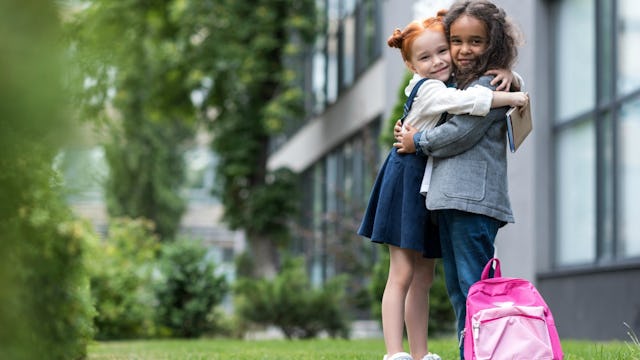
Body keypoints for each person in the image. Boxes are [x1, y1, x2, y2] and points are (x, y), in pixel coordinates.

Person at [358, 10, 527, 360]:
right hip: (410, 178)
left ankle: (428, 353)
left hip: (431, 182)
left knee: (428, 278)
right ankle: (396, 352)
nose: (443, 58)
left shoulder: (464, 82)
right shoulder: (435, 88)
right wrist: (511, 95)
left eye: (442, 51)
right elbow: (461, 110)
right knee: (406, 273)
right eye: (455, 43)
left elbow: (464, 120)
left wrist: (514, 78)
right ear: (410, 64)